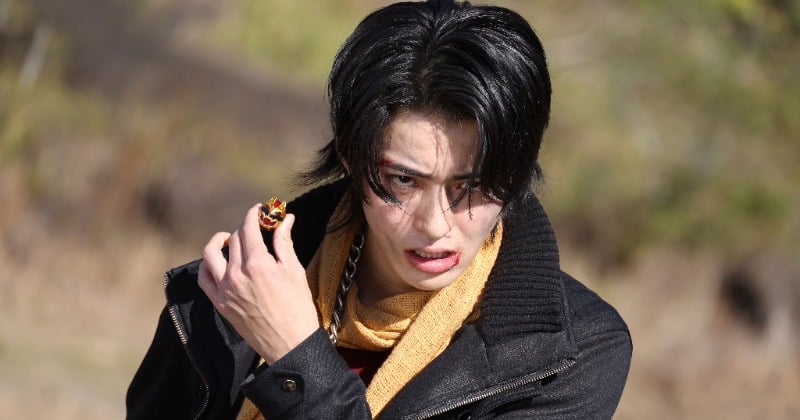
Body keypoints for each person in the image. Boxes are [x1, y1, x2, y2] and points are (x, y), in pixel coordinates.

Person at [126, 0, 632, 418]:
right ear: (352, 158)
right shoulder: (228, 293)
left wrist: (296, 357)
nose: (435, 224)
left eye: (473, 186)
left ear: (517, 174)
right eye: (404, 180)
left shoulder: (574, 353)